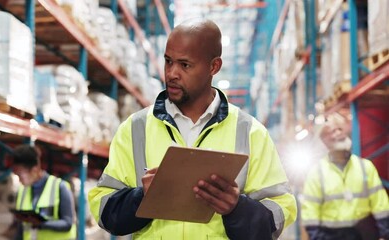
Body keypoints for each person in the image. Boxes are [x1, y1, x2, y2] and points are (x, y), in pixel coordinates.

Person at [88, 18, 297, 239]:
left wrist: (236, 208)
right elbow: (103, 210)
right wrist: (143, 197)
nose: (172, 73)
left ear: (214, 66)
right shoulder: (135, 128)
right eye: (168, 61)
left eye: (185, 65)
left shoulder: (250, 132)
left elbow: (278, 215)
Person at [301, 113, 389, 240]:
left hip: (363, 235)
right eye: (331, 132)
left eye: (340, 129)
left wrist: (385, 234)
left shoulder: (365, 167)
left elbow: (380, 205)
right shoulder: (316, 173)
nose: (337, 133)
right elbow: (310, 214)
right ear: (324, 141)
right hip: (330, 236)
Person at [11, 144, 77, 240]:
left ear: (34, 170)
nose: (19, 180)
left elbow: (67, 224)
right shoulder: (22, 191)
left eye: (20, 175)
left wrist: (42, 224)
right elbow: (21, 230)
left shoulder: (60, 187)